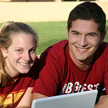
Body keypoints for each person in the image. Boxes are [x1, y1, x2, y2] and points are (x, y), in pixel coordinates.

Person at [32, 1, 108, 108]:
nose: (82, 43)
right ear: (67, 32)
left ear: (102, 36)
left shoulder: (105, 54)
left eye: (91, 35)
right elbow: (39, 104)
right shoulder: (53, 56)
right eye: (76, 34)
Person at [0, 21, 39, 108]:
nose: (27, 58)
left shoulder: (34, 68)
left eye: (31, 50)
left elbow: (24, 105)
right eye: (19, 50)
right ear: (4, 50)